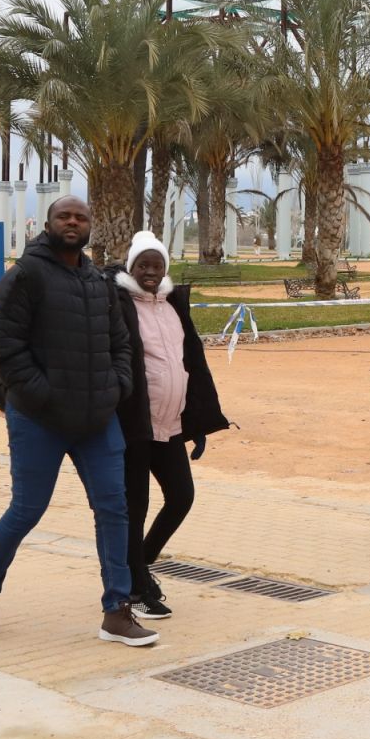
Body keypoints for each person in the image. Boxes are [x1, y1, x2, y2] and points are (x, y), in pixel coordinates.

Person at [0, 196, 156, 649]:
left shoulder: (97, 281)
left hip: (96, 418)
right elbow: (4, 348)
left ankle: (117, 612)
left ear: (91, 226)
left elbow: (121, 344)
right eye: (64, 216)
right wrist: (43, 395)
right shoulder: (25, 276)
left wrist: (117, 387)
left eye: (81, 217)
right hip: (39, 419)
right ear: (47, 223)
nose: (73, 222)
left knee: (114, 509)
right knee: (27, 510)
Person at [108, 230, 232, 620]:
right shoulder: (119, 304)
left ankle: (138, 567)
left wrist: (196, 423)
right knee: (136, 506)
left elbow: (191, 363)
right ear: (131, 267)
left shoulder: (173, 304)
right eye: (142, 264)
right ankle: (136, 586)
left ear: (165, 268)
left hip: (171, 424)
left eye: (156, 264)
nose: (149, 271)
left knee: (181, 497)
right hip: (133, 425)